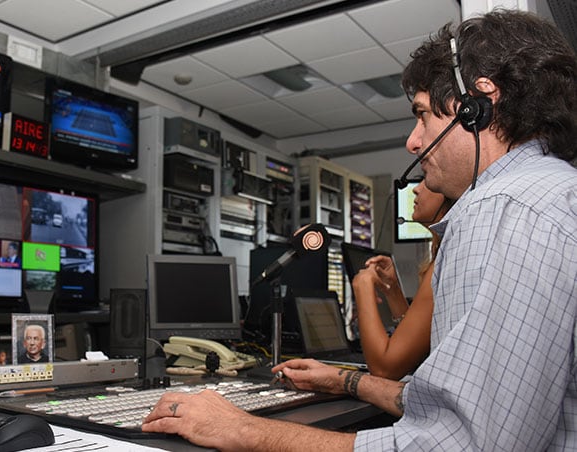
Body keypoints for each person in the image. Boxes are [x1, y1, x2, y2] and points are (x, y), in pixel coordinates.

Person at [142, 9, 576, 450]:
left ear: (477, 106)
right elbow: (469, 410)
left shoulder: (501, 210)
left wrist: (241, 429)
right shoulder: (549, 192)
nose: (413, 140)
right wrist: (346, 381)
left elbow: (460, 444)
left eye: (422, 114)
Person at [350, 179, 452, 380]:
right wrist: (393, 290)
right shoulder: (443, 254)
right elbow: (417, 345)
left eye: (428, 181)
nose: (416, 189)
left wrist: (362, 287)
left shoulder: (444, 260)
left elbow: (383, 368)